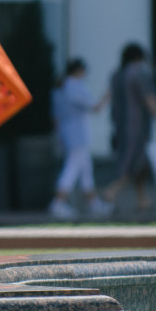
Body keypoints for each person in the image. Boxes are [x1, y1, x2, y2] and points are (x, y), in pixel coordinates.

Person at [102, 42, 156, 213]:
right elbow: (149, 98)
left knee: (141, 164)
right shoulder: (139, 74)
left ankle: (143, 199)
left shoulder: (117, 74)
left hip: (120, 125)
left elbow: (109, 96)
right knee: (132, 161)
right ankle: (110, 192)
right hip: (137, 126)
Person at [48, 58, 111, 220]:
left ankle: (94, 204)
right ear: (79, 70)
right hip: (77, 134)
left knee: (85, 170)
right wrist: (108, 94)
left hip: (69, 133)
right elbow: (95, 107)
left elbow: (56, 116)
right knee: (72, 168)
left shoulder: (60, 87)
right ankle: (58, 203)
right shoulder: (73, 87)